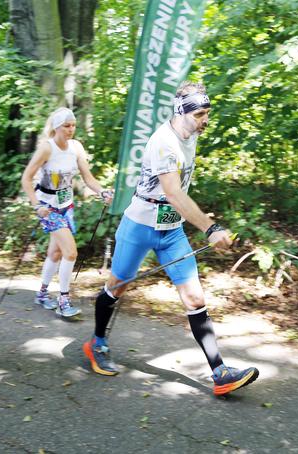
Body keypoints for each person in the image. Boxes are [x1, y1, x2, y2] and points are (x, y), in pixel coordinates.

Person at [82, 81, 259, 396]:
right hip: (140, 224)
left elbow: (177, 199)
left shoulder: (189, 135)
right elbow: (174, 193)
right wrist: (210, 227)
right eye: (201, 114)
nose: (206, 119)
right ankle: (97, 343)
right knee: (117, 286)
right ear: (182, 112)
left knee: (195, 299)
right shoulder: (164, 142)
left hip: (171, 230)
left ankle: (220, 373)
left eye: (207, 113)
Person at [21, 107, 113, 318]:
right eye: (67, 126)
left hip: (66, 206)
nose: (71, 129)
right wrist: (36, 205)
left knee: (56, 252)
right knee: (70, 252)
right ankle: (63, 300)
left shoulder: (76, 147)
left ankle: (43, 295)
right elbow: (26, 179)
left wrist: (102, 191)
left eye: (73, 125)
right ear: (56, 127)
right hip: (48, 208)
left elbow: (88, 177)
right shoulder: (47, 148)